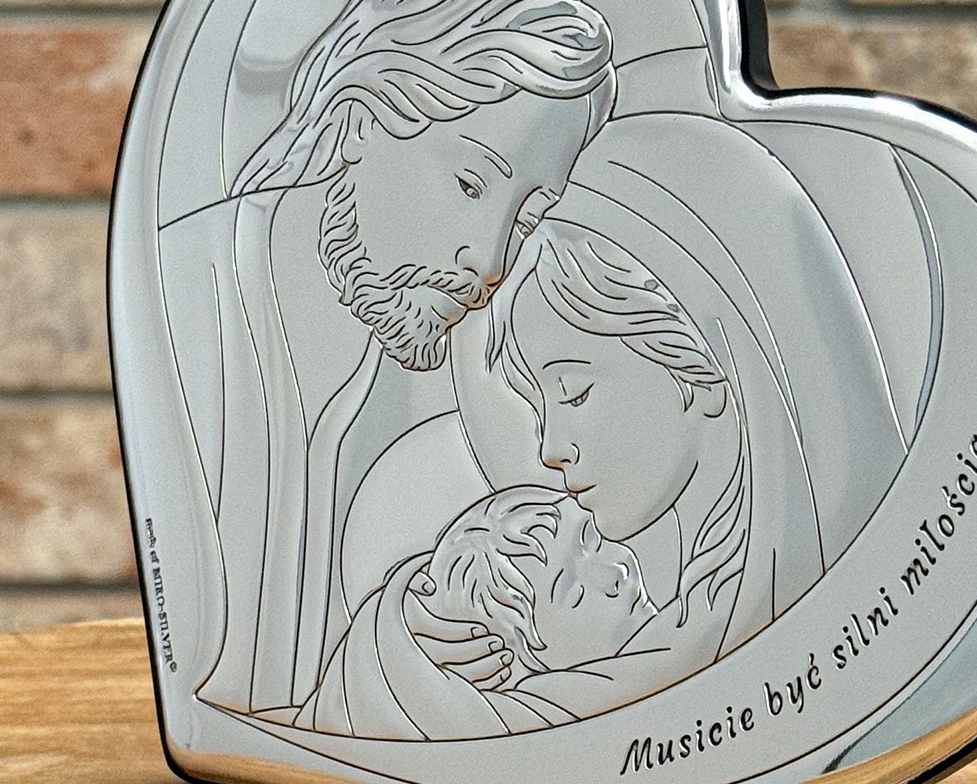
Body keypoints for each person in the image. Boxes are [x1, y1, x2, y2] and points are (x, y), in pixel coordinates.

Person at [312, 112, 909, 739]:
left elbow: (544, 740)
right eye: (539, 404)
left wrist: (399, 652)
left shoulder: (765, 622)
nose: (549, 449)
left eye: (573, 391)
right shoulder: (702, 609)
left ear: (701, 361)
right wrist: (427, 613)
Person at [165, 0, 615, 717]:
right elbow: (217, 694)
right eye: (471, 183)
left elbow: (276, 710)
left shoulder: (399, 364)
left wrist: (400, 643)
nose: (490, 261)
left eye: (527, 216)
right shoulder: (188, 302)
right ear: (361, 118)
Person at [299, 486, 658, 736]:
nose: (615, 572)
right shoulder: (552, 717)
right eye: (574, 593)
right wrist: (393, 638)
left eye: (593, 539)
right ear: (509, 664)